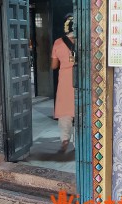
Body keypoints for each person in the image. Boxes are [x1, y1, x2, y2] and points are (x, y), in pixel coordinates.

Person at [51, 14, 75, 152]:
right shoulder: (86, 41)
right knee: (82, 110)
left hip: (65, 80)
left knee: (65, 112)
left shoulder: (58, 43)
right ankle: (82, 140)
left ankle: (65, 139)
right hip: (82, 79)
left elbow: (54, 66)